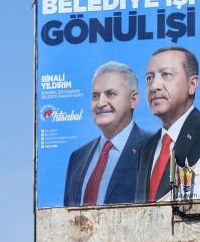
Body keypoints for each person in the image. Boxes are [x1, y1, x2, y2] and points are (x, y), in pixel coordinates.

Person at [63, 62, 149, 206]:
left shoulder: (154, 146)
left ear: (133, 100)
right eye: (95, 96)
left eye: (110, 94)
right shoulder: (77, 158)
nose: (100, 103)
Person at [136, 46, 200, 202]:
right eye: (149, 78)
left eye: (166, 74)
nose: (154, 86)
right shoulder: (145, 149)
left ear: (192, 84)